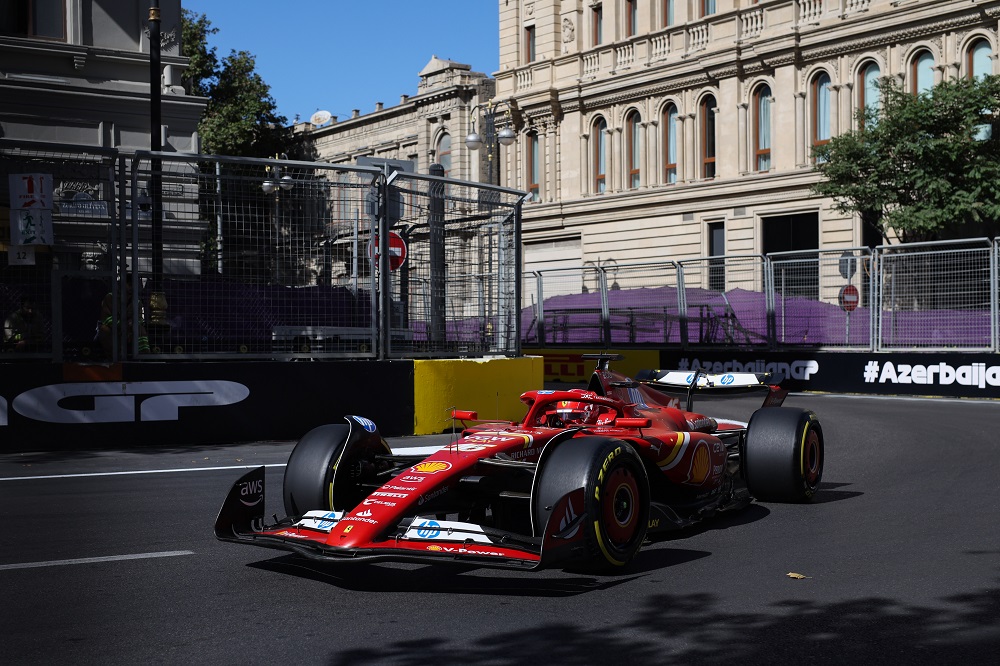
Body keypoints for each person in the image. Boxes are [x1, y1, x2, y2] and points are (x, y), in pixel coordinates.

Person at [96, 274, 149, 357]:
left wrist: (132, 323)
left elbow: (139, 319)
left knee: (140, 329)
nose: (132, 288)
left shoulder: (137, 302)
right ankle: (113, 357)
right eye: (130, 285)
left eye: (134, 285)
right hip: (113, 329)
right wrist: (122, 325)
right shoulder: (110, 297)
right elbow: (106, 319)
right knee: (104, 329)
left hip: (129, 330)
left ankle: (143, 355)